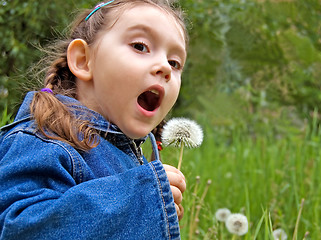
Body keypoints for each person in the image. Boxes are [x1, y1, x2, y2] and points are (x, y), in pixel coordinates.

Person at [0, 0, 188, 239]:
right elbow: (20, 230)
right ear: (82, 60)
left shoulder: (129, 154)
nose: (165, 67)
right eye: (140, 46)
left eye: (175, 62)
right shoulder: (43, 141)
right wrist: (139, 199)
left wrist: (151, 213)